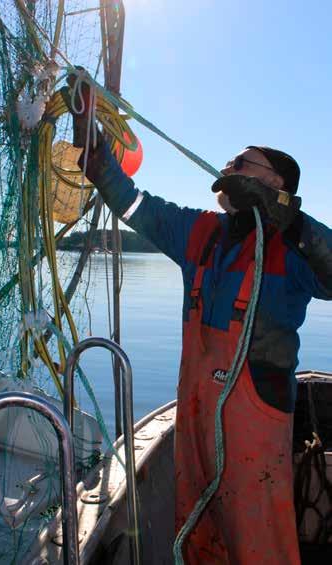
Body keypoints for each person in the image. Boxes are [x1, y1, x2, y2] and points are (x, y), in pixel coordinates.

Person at [64, 77, 332, 564]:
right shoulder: (200, 232)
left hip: (258, 423)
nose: (229, 168)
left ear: (275, 184)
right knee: (198, 527)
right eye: (231, 162)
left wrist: (290, 221)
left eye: (242, 163)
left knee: (258, 539)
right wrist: (92, 144)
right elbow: (133, 203)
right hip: (195, 413)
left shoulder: (293, 250)